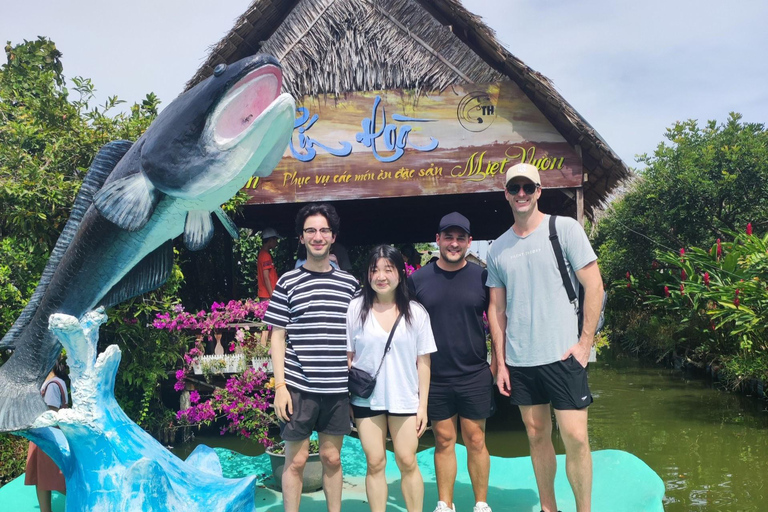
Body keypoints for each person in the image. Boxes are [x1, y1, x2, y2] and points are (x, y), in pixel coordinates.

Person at [486, 163, 604, 512]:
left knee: (577, 439)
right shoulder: (498, 249)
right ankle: (549, 508)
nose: (520, 194)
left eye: (527, 187)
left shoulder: (563, 229)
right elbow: (496, 310)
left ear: (539, 191)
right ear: (506, 194)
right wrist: (501, 362)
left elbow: (594, 286)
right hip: (521, 361)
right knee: (537, 436)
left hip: (564, 355)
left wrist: (585, 343)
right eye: (514, 188)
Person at [264, 203, 360, 512]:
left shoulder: (350, 285)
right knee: (296, 461)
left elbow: (359, 335)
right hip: (298, 388)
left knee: (332, 458)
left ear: (333, 237)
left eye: (323, 231)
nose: (317, 237)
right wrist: (280, 387)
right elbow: (277, 335)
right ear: (301, 238)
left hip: (337, 389)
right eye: (311, 231)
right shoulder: (287, 283)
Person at [408, 212, 494, 512]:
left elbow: (496, 320)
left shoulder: (482, 277)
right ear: (438, 240)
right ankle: (445, 503)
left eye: (460, 238)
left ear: (469, 242)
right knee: (443, 439)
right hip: (435, 374)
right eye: (448, 237)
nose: (454, 243)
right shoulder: (418, 280)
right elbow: (406, 328)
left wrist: (498, 363)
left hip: (474, 372)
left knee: (476, 438)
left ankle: (481, 503)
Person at [347, 245, 436, 512]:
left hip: (405, 398)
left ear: (401, 273)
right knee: (375, 462)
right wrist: (347, 399)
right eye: (375, 270)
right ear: (367, 275)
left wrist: (422, 406)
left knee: (407, 460)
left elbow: (424, 362)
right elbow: (348, 358)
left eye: (388, 269)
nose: (381, 276)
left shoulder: (416, 313)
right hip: (365, 400)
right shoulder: (355, 309)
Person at [25, 357, 68, 512]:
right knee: (41, 478)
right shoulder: (56, 382)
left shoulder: (52, 385)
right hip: (46, 436)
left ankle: (85, 502)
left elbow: (51, 414)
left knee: (54, 479)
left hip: (48, 436)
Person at [257, 227, 280, 346]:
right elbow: (266, 277)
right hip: (267, 296)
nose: (276, 242)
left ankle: (266, 351)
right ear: (270, 240)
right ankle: (263, 351)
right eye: (275, 239)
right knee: (267, 326)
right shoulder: (265, 256)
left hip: (265, 295)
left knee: (267, 326)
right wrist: (272, 295)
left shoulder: (262, 254)